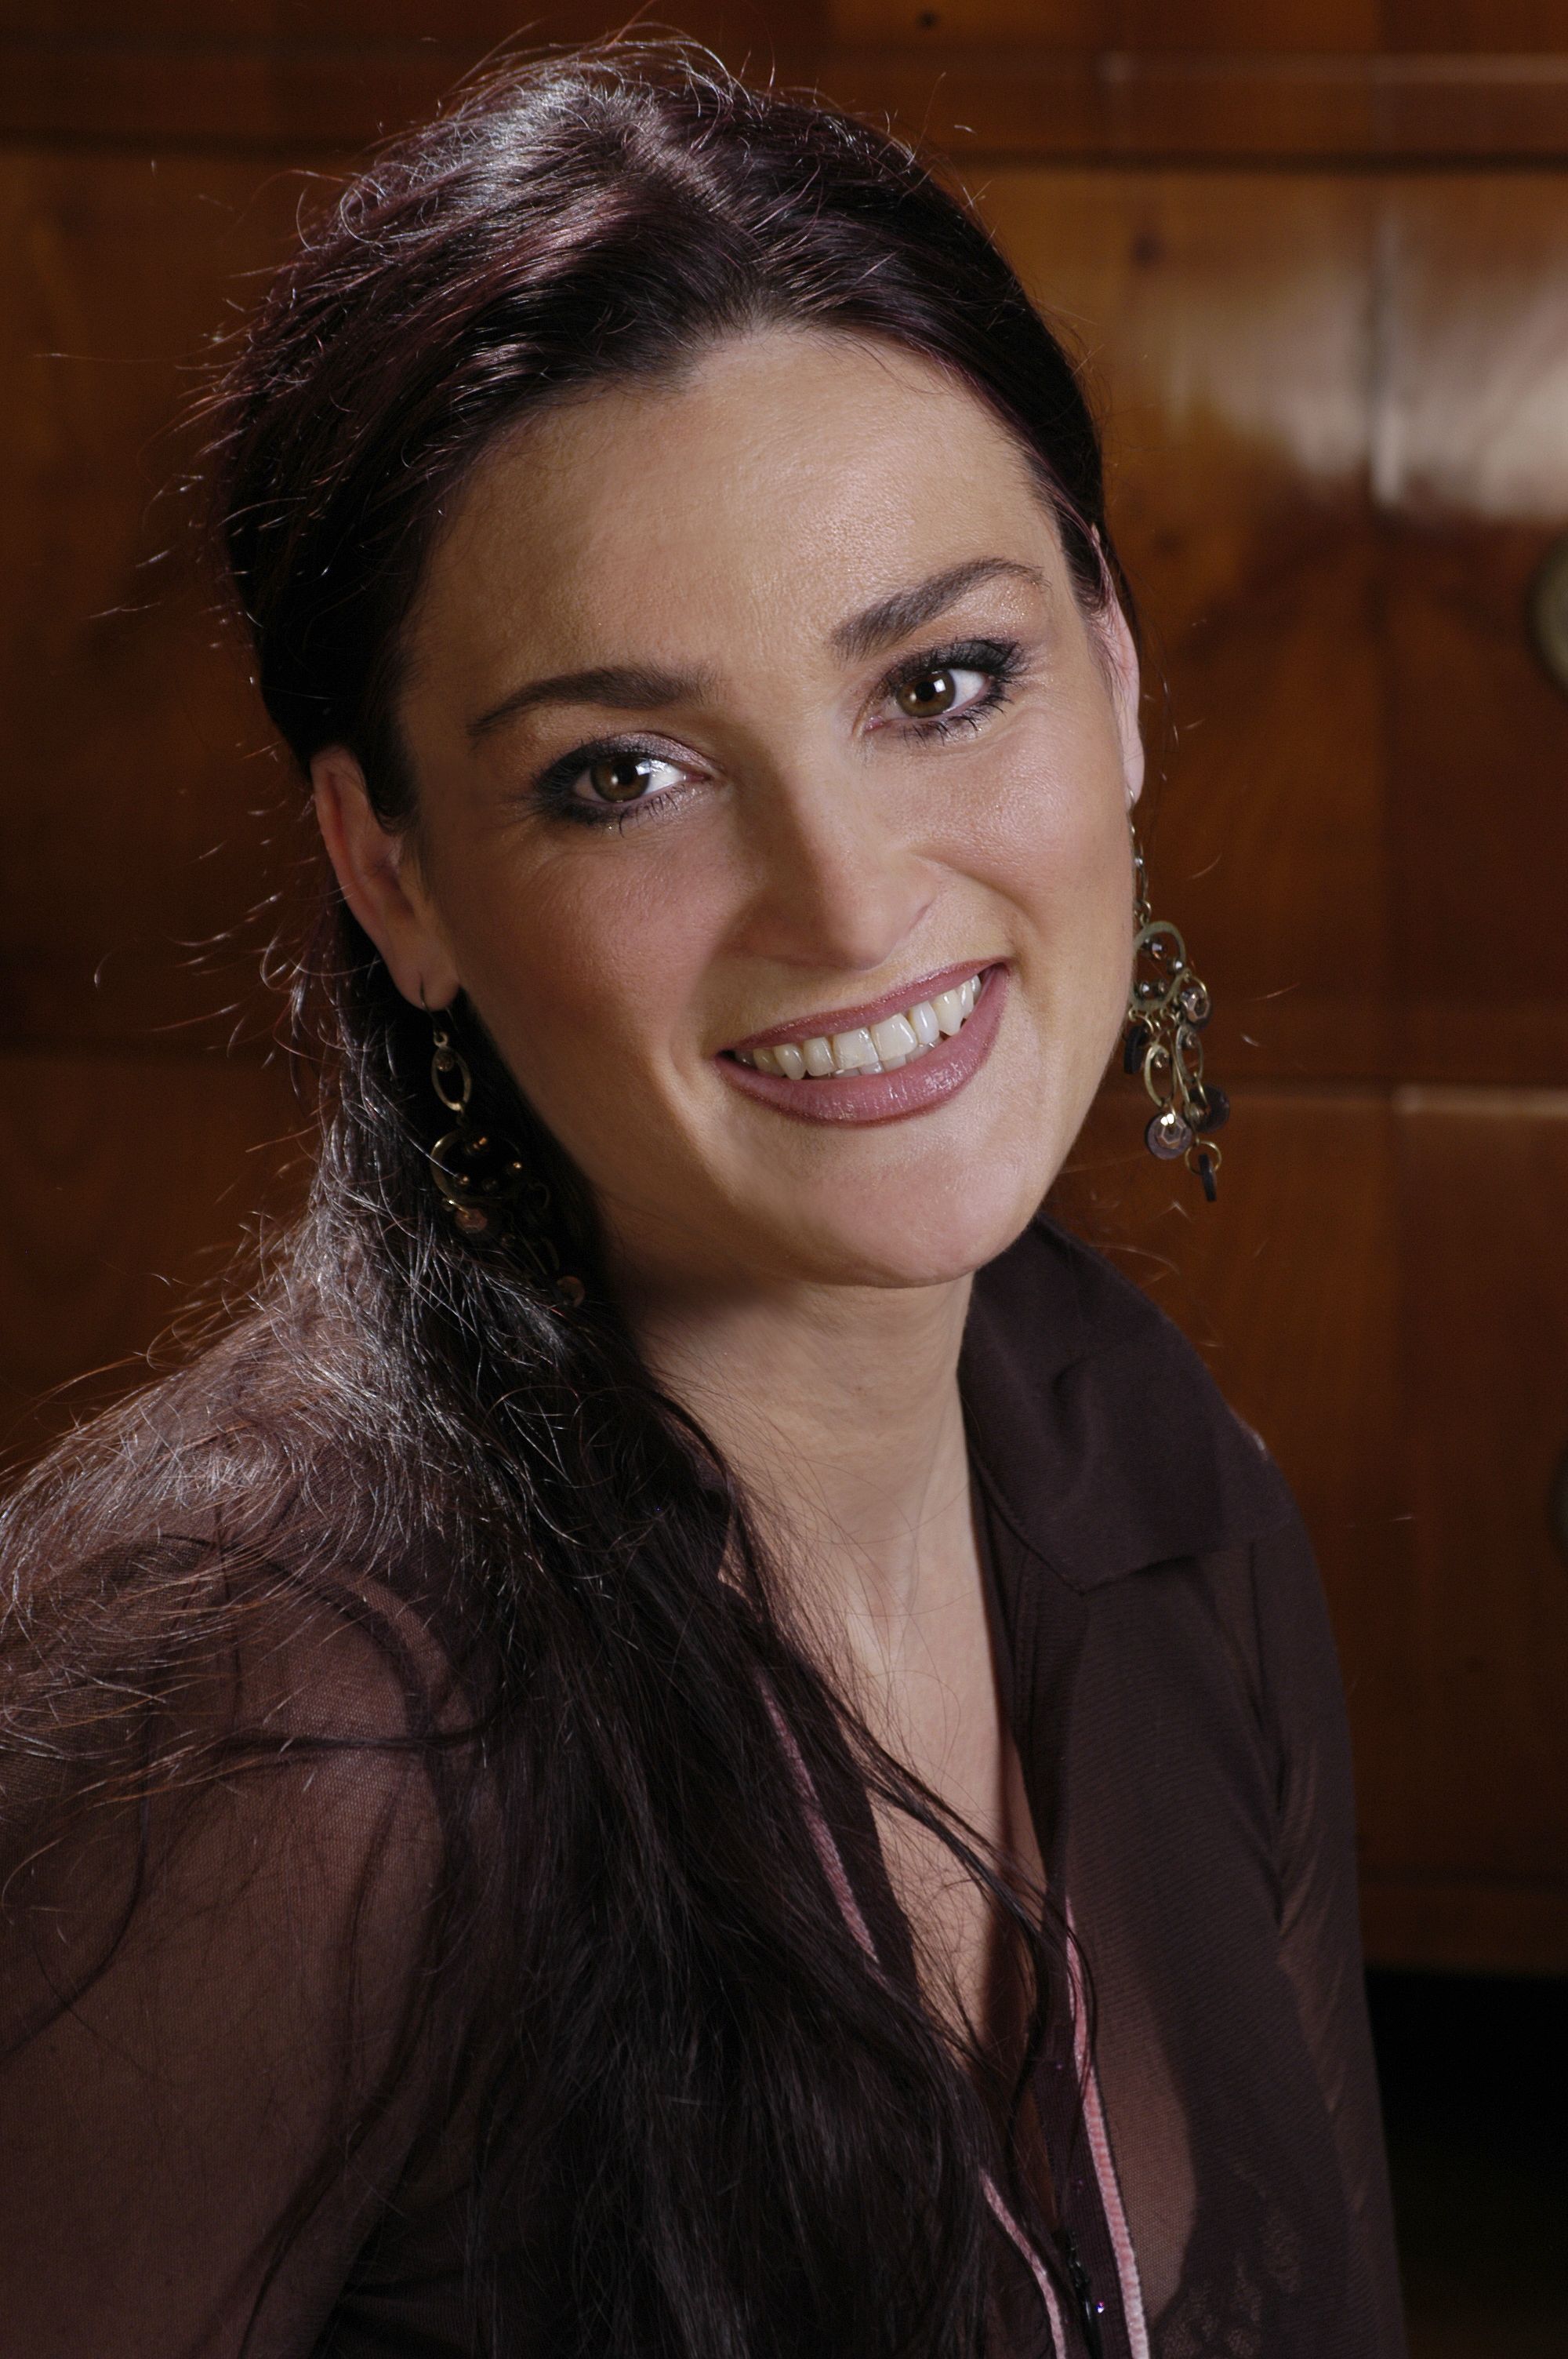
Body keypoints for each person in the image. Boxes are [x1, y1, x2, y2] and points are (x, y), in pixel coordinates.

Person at [0, 42, 1405, 2359]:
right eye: (624, 773)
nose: (849, 902)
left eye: (945, 680)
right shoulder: (276, 1741)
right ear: (391, 871)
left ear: (1118, 674)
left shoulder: (1161, 1482)